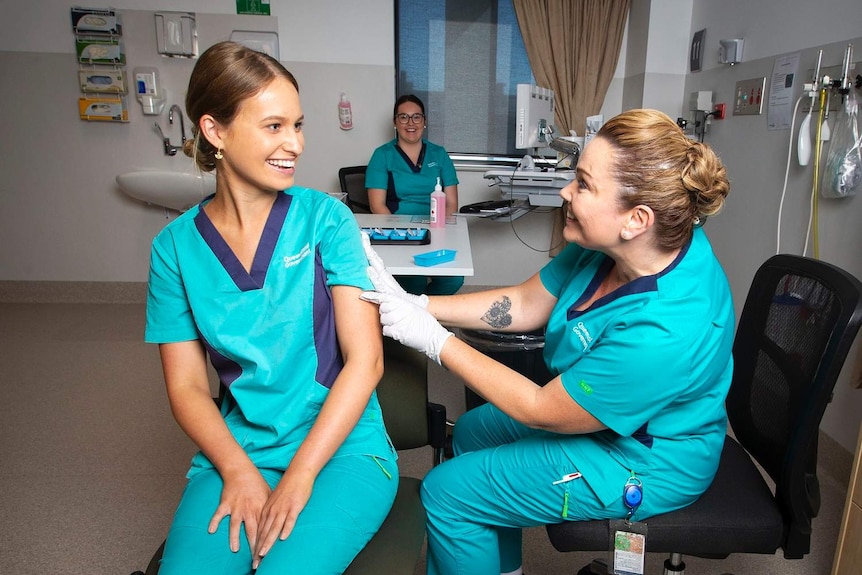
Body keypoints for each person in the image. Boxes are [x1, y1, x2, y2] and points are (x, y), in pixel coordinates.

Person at [361, 109, 734, 575]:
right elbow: (525, 302)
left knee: (447, 494)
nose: (565, 192)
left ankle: (469, 518)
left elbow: (542, 408)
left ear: (636, 219)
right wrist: (420, 304)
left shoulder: (668, 327)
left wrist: (435, 341)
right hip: (600, 414)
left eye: (583, 184)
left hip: (643, 458)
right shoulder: (614, 245)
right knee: (473, 432)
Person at [144, 41, 397, 575]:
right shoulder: (174, 248)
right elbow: (187, 387)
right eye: (274, 126)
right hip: (241, 447)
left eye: (298, 125)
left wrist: (300, 476)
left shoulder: (325, 218)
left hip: (341, 448)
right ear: (215, 131)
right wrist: (237, 471)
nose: (296, 144)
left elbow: (366, 360)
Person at [365, 94, 464, 295]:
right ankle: (414, 314)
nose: (411, 123)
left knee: (454, 279)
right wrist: (402, 234)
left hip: (437, 229)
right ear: (395, 122)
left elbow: (452, 203)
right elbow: (377, 206)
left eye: (416, 117)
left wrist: (438, 231)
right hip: (402, 231)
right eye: (403, 117)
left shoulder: (439, 154)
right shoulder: (382, 155)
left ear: (424, 122)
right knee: (414, 280)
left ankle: (421, 310)